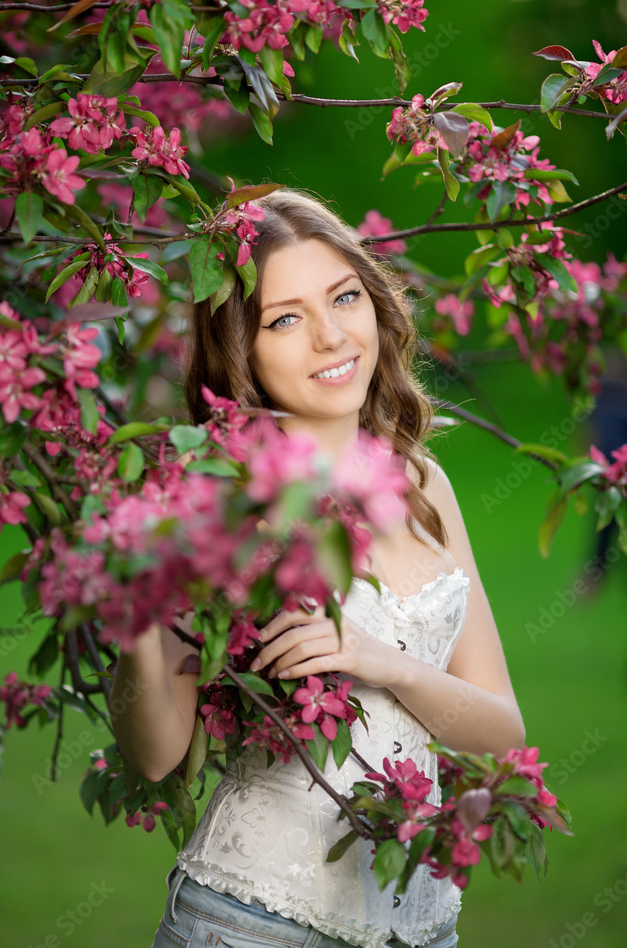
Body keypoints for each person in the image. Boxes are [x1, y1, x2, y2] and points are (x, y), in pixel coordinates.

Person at [109, 189, 526, 948]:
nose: (332, 337)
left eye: (343, 297)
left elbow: (501, 731)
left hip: (422, 929)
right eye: (285, 318)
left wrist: (379, 662)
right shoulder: (219, 503)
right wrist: (135, 618)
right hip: (250, 920)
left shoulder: (423, 483)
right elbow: (159, 757)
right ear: (241, 345)